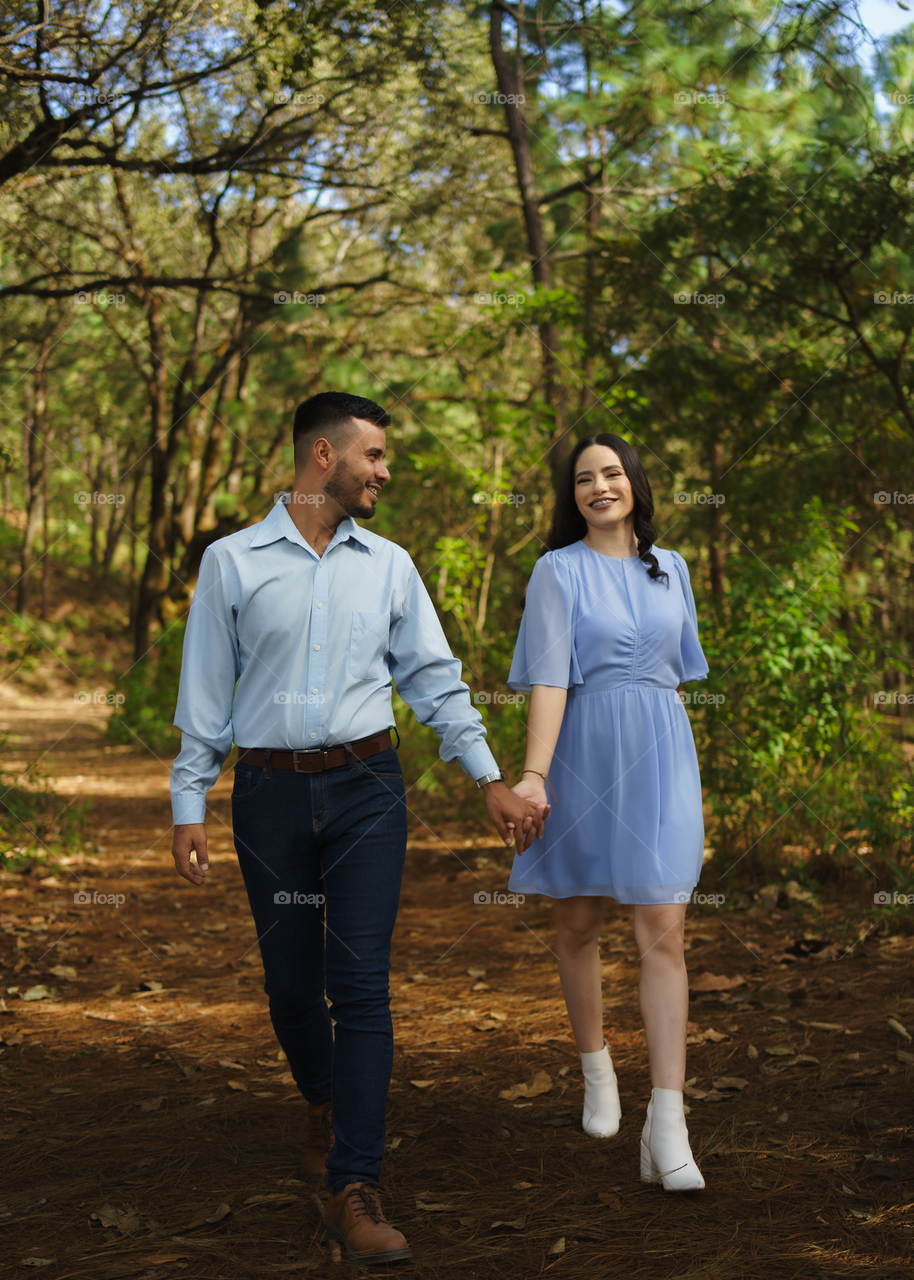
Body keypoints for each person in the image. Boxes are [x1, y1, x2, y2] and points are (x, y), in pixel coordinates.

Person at [169, 391, 545, 1265]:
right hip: (266, 791)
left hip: (369, 787)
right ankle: (325, 1100)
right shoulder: (231, 562)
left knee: (361, 985)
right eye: (375, 455)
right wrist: (190, 801)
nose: (385, 472)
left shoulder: (389, 564)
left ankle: (355, 1183)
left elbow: (435, 679)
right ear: (323, 457)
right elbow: (204, 695)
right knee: (291, 985)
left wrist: (488, 775)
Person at [507, 432, 709, 1192]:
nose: (600, 487)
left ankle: (668, 1123)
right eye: (585, 479)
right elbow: (550, 681)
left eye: (613, 473)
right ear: (573, 497)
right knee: (578, 923)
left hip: (661, 755)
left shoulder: (673, 569)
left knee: (663, 931)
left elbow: (676, 680)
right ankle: (597, 1070)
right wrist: (533, 775)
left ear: (635, 484)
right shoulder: (557, 572)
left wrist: (688, 786)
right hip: (581, 753)